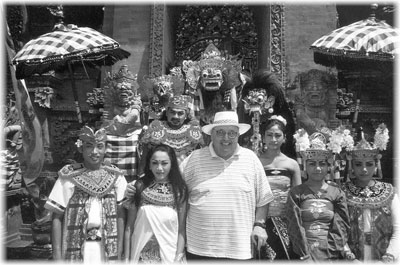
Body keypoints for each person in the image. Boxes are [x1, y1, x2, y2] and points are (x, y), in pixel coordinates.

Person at [180, 110, 274, 260]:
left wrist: (259, 225)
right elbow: (175, 193)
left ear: (238, 135)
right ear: (211, 134)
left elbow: (263, 198)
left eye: (232, 133)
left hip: (240, 249)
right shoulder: (193, 159)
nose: (226, 138)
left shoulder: (251, 159)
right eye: (220, 132)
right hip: (199, 248)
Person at [44, 126, 127, 262]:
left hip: (107, 247)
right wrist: (57, 257)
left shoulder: (116, 176)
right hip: (76, 247)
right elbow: (57, 217)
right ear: (81, 148)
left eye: (99, 146)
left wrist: (119, 250)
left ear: (106, 149)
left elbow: (121, 214)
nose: (94, 152)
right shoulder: (68, 177)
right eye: (89, 146)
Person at [286, 131, 351, 261]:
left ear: (328, 167)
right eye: (312, 164)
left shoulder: (337, 193)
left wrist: (330, 252)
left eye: (322, 163)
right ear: (305, 166)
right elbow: (294, 226)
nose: (317, 168)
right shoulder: (296, 193)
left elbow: (341, 226)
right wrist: (304, 253)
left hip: (330, 254)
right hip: (303, 255)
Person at [342, 125, 400, 262]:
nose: (364, 169)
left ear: (376, 165)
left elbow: (398, 230)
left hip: (385, 257)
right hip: (352, 258)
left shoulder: (389, 191)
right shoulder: (342, 192)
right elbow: (338, 230)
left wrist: (390, 256)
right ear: (352, 166)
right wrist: (348, 256)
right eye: (358, 164)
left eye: (369, 164)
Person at [124, 144, 188, 263]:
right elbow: (129, 228)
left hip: (169, 256)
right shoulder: (138, 187)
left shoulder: (179, 190)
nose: (159, 168)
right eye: (155, 163)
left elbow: (181, 230)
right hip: (139, 256)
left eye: (164, 163)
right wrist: (127, 259)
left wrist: (178, 257)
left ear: (172, 164)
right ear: (149, 165)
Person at [257, 115, 301, 260]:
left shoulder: (292, 164)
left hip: (285, 220)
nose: (273, 139)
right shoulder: (256, 162)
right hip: (261, 220)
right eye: (269, 135)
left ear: (284, 137)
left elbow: (298, 196)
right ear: (263, 137)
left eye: (277, 135)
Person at [138, 94, 204, 173]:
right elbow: (145, 156)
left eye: (180, 113)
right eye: (172, 112)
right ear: (166, 113)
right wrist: (141, 176)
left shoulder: (194, 130)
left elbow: (200, 158)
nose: (176, 116)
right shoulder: (155, 128)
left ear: (186, 115)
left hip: (187, 176)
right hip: (159, 175)